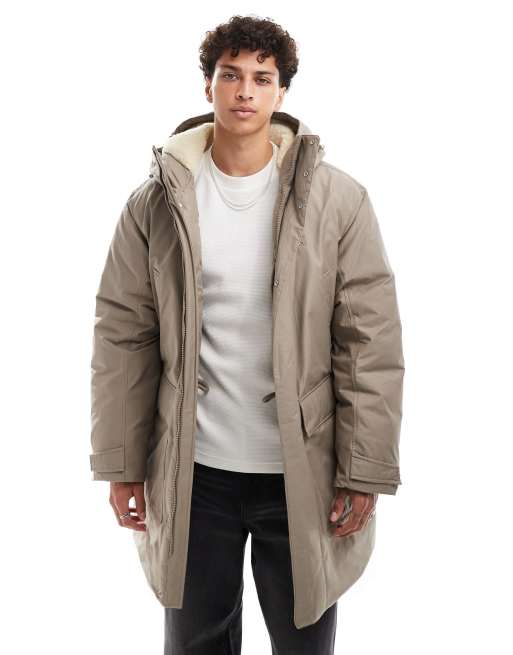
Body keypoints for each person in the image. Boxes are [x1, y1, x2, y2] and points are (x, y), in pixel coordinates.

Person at [89, 14, 405, 655]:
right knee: (194, 643)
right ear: (207, 85)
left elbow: (369, 342)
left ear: (281, 93)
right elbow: (123, 336)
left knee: (304, 642)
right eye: (230, 75)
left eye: (262, 78)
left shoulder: (338, 202)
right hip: (195, 471)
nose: (244, 91)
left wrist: (364, 469)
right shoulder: (155, 204)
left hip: (302, 471)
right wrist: (121, 464)